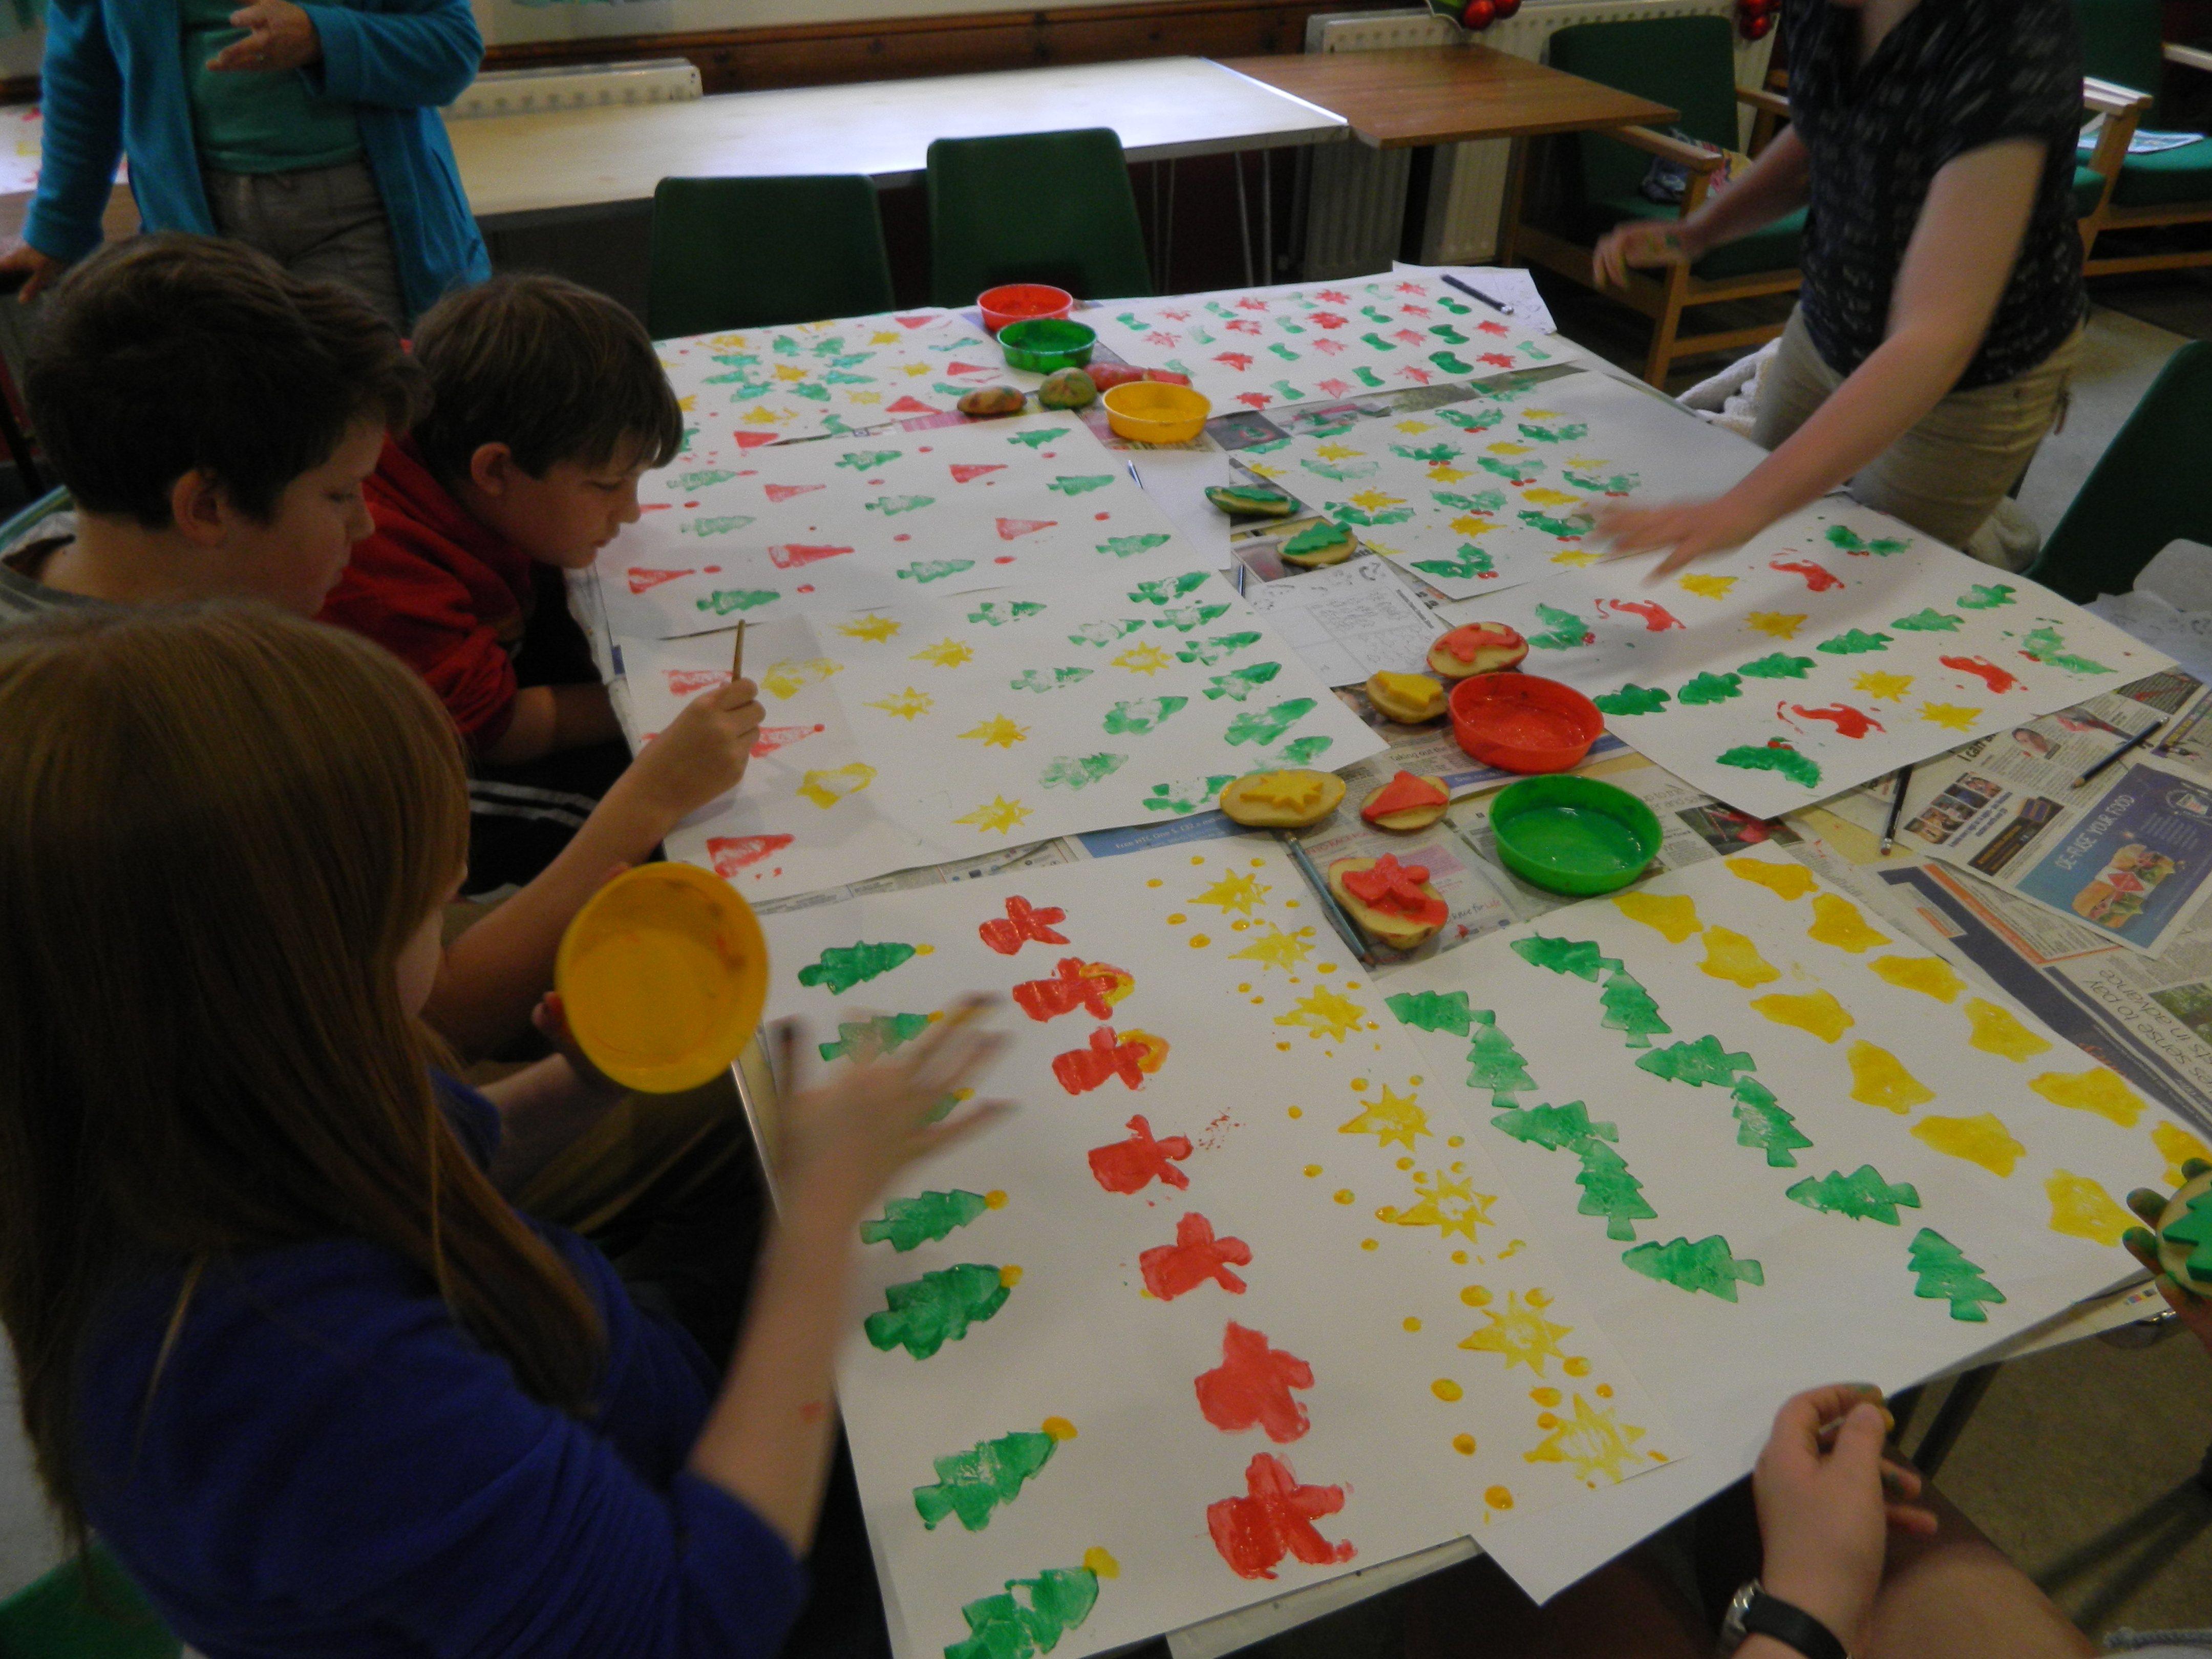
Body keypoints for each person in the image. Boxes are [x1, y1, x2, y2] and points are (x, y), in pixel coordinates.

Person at [0, 603, 1008, 1659]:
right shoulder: (306, 1381)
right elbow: (688, 1624)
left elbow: (425, 1170)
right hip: (696, 1560)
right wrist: (817, 1229)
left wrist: (585, 1082)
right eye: (428, 906)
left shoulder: (170, 1109)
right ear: (291, 976)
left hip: (602, 1374)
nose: (454, 900)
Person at [3, 233, 762, 1059]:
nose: (368, 526)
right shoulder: (207, 758)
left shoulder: (67, 551)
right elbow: (439, 1021)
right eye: (340, 494)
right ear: (208, 507)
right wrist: (648, 802)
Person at [1592, 0, 2088, 574]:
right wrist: (1702, 230)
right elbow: (1823, 128)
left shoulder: (2011, 30)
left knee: (1859, 566)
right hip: (1830, 316)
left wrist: (1741, 508)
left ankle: (1995, 535)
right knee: (1759, 524)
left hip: (1974, 380)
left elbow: (1937, 335)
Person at [319, 272, 697, 891]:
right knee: (631, 830)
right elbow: (494, 731)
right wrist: (659, 698)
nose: (631, 513)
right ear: (494, 469)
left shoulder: (443, 399)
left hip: (458, 680)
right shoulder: (376, 561)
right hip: (393, 771)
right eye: (606, 485)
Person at [5, 0, 488, 328]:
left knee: (367, 421)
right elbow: (84, 76)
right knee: (244, 428)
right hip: (196, 225)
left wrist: (322, 38)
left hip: (363, 214)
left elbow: (450, 48)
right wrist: (58, 229)